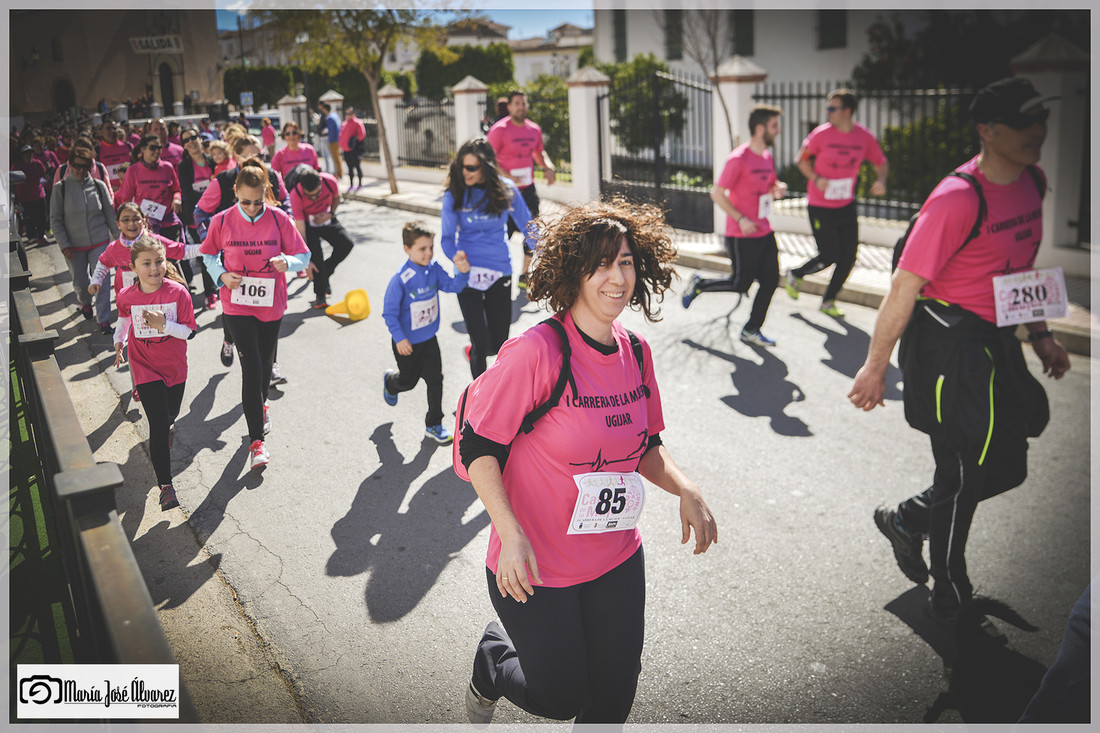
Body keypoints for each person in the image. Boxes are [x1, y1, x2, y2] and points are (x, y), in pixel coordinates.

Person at [456, 200, 718, 725]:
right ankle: (494, 658)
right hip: (536, 566)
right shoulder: (537, 353)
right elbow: (477, 450)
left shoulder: (636, 353)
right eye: (601, 263)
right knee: (561, 698)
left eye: (625, 261)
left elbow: (647, 446)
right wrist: (509, 534)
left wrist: (686, 488)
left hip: (616, 556)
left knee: (614, 698)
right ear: (574, 271)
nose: (617, 276)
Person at [848, 77, 1070, 628]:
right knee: (964, 473)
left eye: (1040, 119)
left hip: (996, 343)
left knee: (1006, 466)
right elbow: (902, 288)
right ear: (987, 132)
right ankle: (949, 592)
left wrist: (1039, 333)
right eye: (1024, 123)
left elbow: (1017, 271)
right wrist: (876, 367)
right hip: (947, 348)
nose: (1037, 132)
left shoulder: (1032, 181)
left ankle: (905, 519)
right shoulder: (956, 199)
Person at [199, 163, 311, 470]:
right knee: (250, 366)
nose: (251, 208)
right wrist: (221, 274)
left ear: (266, 194)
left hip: (271, 304)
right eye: (245, 201)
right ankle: (256, 442)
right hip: (236, 304)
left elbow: (304, 255)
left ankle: (262, 405)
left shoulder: (278, 219)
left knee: (263, 365)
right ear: (235, 192)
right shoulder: (221, 221)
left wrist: (286, 261)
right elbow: (208, 254)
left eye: (257, 201)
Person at [683, 104, 788, 347]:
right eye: (774, 126)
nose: (778, 130)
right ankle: (700, 284)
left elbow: (770, 184)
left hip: (763, 230)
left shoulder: (766, 157)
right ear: (760, 129)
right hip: (740, 234)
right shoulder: (738, 159)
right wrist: (741, 219)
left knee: (771, 280)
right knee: (741, 283)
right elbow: (717, 194)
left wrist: (777, 187)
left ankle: (751, 328)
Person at [195, 135, 292, 384]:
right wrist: (214, 242)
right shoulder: (224, 180)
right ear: (236, 156)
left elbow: (287, 206)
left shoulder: (272, 175)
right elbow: (200, 212)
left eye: (259, 155)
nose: (256, 159)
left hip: (267, 258)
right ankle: (230, 338)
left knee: (269, 308)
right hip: (234, 259)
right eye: (250, 155)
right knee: (237, 308)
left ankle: (271, 367)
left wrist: (287, 232)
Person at [784, 88, 888, 318]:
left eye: (833, 108)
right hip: (820, 206)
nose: (828, 112)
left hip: (846, 206)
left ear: (847, 111)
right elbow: (800, 160)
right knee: (830, 254)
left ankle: (828, 301)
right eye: (828, 108)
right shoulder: (821, 134)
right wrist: (816, 178)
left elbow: (881, 162)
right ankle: (796, 274)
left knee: (849, 257)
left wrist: (880, 180)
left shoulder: (863, 137)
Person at [112, 236, 197, 510]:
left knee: (170, 414)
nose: (154, 268)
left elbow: (190, 332)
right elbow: (124, 319)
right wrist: (119, 341)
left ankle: (170, 423)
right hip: (144, 365)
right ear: (134, 267)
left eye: (159, 261)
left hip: (174, 366)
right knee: (158, 426)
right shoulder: (127, 295)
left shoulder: (178, 292)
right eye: (146, 263)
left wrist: (164, 326)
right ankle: (166, 487)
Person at [440, 138, 535, 379]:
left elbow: (528, 227)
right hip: (467, 275)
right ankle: (478, 402)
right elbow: (447, 239)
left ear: (486, 166)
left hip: (499, 271)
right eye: (462, 166)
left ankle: (474, 351)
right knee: (481, 345)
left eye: (471, 167)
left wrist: (546, 253)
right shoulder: (455, 195)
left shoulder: (505, 189)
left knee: (498, 343)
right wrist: (455, 257)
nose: (465, 172)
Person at [382, 221, 471, 444]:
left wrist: (462, 273)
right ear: (407, 248)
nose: (429, 253)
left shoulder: (434, 269)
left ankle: (434, 424)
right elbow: (389, 313)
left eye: (431, 247)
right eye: (422, 248)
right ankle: (391, 382)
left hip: (430, 340)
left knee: (435, 381)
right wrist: (400, 338)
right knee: (408, 382)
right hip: (407, 343)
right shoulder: (401, 279)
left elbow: (452, 287)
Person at [487, 91, 555, 290]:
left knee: (532, 232)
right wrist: (507, 177)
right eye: (517, 103)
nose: (521, 107)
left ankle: (525, 275)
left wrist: (548, 167)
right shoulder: (499, 130)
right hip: (503, 191)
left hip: (527, 191)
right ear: (509, 106)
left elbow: (539, 152)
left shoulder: (534, 129)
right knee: (502, 234)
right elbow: (488, 160)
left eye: (524, 103)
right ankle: (499, 272)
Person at [49, 147, 119, 331]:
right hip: (73, 245)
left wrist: (120, 240)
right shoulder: (61, 189)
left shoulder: (98, 185)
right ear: (70, 165)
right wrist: (63, 244)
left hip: (99, 241)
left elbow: (110, 215)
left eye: (86, 166)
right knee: (81, 282)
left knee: (102, 281)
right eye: (77, 166)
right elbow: (55, 219)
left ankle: (103, 321)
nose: (81, 170)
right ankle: (85, 302)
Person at [290, 169, 353, 309]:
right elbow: (300, 227)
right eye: (310, 196)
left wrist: (330, 214)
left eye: (317, 194)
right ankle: (320, 294)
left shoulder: (329, 181)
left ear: (321, 182)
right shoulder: (296, 194)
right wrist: (305, 255)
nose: (314, 198)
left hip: (326, 217)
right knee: (316, 256)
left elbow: (337, 198)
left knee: (347, 244)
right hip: (308, 225)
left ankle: (326, 271)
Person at [176, 127, 219, 307]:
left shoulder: (212, 160)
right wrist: (210, 199)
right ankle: (210, 293)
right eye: (186, 140)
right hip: (197, 218)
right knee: (205, 253)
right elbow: (187, 191)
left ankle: (221, 286)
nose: (191, 142)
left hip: (218, 215)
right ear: (184, 146)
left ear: (200, 139)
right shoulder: (184, 166)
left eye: (194, 137)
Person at [116, 134, 183, 241]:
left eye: (159, 148)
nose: (157, 151)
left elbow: (176, 190)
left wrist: (177, 199)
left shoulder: (167, 167)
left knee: (172, 256)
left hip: (168, 220)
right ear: (143, 149)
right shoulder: (133, 170)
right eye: (153, 148)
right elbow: (126, 199)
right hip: (146, 225)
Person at [13, 144, 49, 244]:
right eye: (26, 153)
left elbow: (45, 175)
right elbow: (11, 181)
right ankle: (32, 236)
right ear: (22, 155)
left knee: (42, 217)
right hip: (25, 197)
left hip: (39, 194)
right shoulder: (17, 166)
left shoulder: (38, 163)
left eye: (30, 153)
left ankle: (41, 236)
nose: (28, 155)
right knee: (29, 218)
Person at [338, 106, 366, 192]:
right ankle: (351, 185)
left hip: (355, 149)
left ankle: (360, 184)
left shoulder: (357, 123)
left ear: (353, 114)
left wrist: (354, 141)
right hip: (346, 150)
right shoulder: (344, 124)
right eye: (346, 113)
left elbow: (362, 134)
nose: (347, 115)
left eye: (349, 113)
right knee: (349, 168)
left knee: (357, 166)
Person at [317, 101, 343, 179]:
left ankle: (338, 173)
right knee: (336, 157)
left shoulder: (330, 118)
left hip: (333, 140)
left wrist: (330, 140)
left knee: (335, 158)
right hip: (336, 139)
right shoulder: (334, 115)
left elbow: (331, 130)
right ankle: (339, 173)